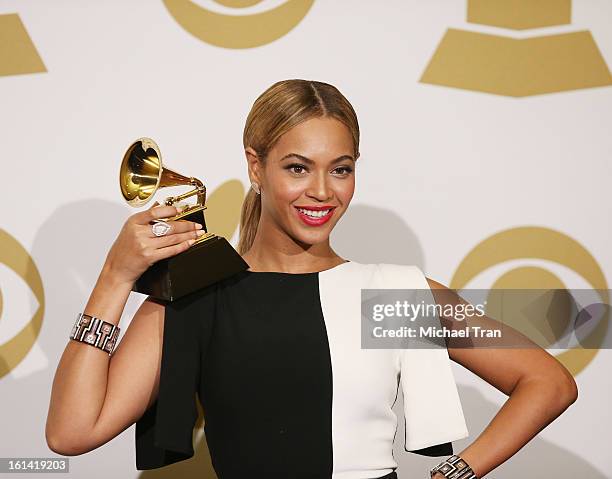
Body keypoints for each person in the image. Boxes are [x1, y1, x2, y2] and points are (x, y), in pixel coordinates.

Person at [45, 79, 578, 479]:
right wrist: (115, 277)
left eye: (340, 168)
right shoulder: (196, 297)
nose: (323, 190)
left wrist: (453, 473)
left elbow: (548, 384)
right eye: (298, 168)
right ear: (256, 167)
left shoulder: (391, 297)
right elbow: (72, 432)